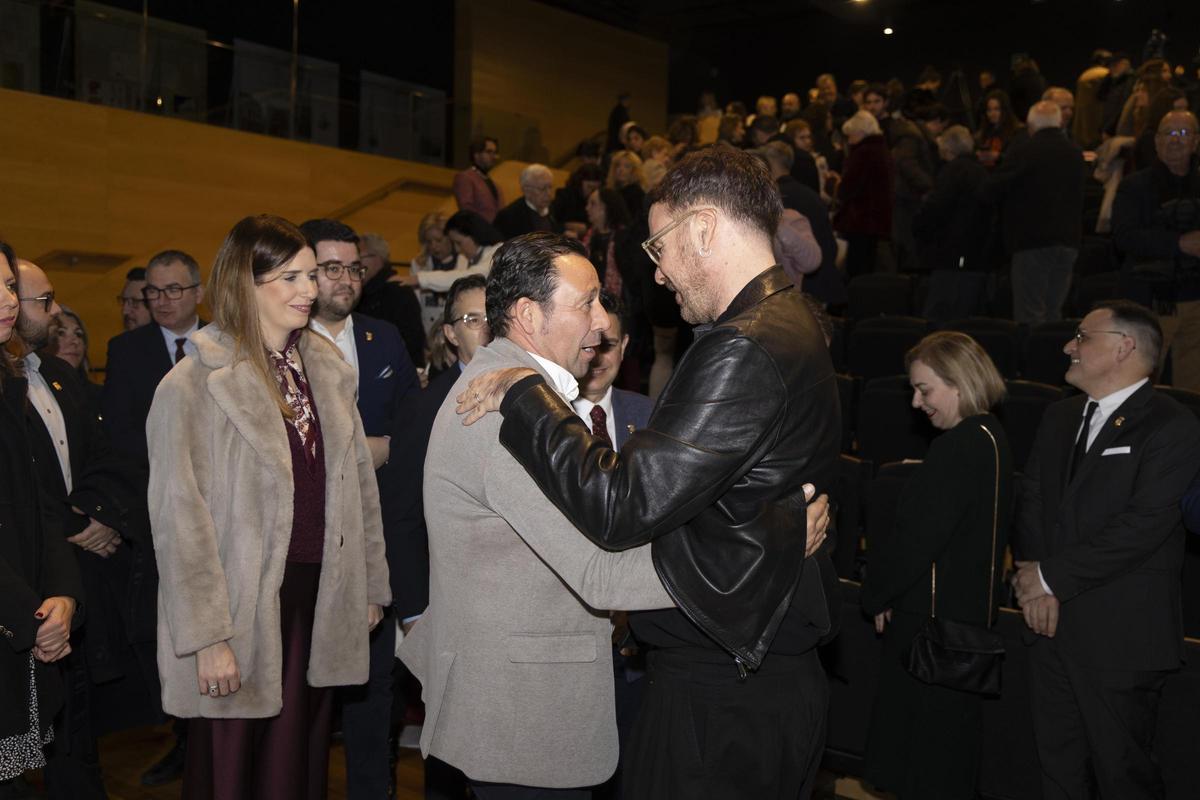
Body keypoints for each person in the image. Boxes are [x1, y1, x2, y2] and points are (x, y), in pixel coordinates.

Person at [458, 146, 842, 799]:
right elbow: (732, 492)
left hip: (724, 695)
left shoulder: (743, 343)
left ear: (702, 228)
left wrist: (525, 394)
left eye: (659, 247)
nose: (660, 275)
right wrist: (776, 529)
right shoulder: (792, 320)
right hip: (750, 674)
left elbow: (622, 505)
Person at [398, 234, 678, 799]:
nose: (601, 322)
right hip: (520, 715)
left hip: (524, 703)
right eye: (587, 303)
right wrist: (754, 551)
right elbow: (600, 573)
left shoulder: (520, 392)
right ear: (527, 313)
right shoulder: (506, 413)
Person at [147, 214, 390, 800]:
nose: (309, 290)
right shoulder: (193, 384)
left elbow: (359, 489)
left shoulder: (328, 375)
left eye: (313, 275)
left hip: (317, 598)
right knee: (233, 775)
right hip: (239, 608)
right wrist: (208, 637)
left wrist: (368, 588)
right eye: (290, 277)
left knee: (299, 768)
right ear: (244, 284)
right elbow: (180, 523)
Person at [1011, 300, 1200, 799]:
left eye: (1083, 336)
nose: (1069, 345)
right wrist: (1035, 582)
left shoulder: (1173, 425)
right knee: (1056, 769)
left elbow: (1144, 526)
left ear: (1124, 347)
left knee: (1123, 775)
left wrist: (1050, 578)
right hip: (1047, 624)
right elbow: (1031, 500)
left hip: (1121, 637)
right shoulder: (1058, 416)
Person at [861, 332, 1011, 800]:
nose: (915, 401)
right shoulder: (992, 438)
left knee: (922, 766)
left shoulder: (961, 445)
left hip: (929, 635)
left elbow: (917, 540)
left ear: (960, 383)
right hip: (959, 631)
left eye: (925, 389)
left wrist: (875, 595)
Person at [299, 218, 419, 800]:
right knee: (304, 703)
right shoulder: (282, 345)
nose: (345, 279)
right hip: (305, 549)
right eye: (330, 268)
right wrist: (358, 449)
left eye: (353, 267)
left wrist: (384, 447)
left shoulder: (384, 337)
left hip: (374, 548)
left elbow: (410, 429)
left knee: (374, 693)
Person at [15, 260, 140, 798]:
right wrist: (74, 525)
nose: (58, 310)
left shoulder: (60, 376)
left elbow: (111, 458)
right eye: (45, 301)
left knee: (76, 728)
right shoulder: (6, 388)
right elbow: (19, 487)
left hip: (77, 582)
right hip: (20, 578)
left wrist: (98, 517)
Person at [102, 248, 207, 785]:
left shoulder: (226, 344)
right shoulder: (127, 350)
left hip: (218, 516)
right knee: (165, 629)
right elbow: (122, 437)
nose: (162, 301)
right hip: (155, 515)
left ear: (198, 292)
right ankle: (181, 736)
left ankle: (207, 740)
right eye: (153, 292)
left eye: (173, 291)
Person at [0, 240, 83, 800]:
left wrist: (61, 595)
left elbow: (37, 504)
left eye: (8, 285)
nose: (7, 299)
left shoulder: (10, 384)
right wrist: (28, 617)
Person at [1111, 110, 1200, 390]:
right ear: (1157, 142)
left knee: (1192, 389)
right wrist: (1178, 244)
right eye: (1169, 133)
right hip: (1149, 302)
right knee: (1139, 384)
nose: (1176, 140)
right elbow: (1124, 238)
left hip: (1196, 300)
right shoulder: (1134, 186)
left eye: (1184, 133)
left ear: (1196, 142)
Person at [982, 100, 1086, 325]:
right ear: (1059, 122)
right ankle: (1051, 357)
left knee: (1029, 313)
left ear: (1030, 125)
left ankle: (1033, 358)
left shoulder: (1025, 151)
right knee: (1053, 311)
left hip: (1032, 241)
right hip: (1069, 240)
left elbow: (993, 188)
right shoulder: (1075, 152)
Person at [914, 125, 993, 321]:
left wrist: (920, 230)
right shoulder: (982, 172)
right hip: (975, 253)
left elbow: (935, 209)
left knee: (944, 311)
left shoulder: (952, 172)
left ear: (948, 148)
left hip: (953, 253)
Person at [353, 232, 427, 370]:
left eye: (359, 257)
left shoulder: (398, 291)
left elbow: (412, 340)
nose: (356, 264)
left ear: (378, 257)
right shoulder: (364, 292)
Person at [834, 110, 895, 278]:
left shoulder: (863, 152)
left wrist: (838, 187)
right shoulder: (882, 149)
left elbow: (849, 186)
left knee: (857, 268)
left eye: (851, 135)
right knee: (869, 266)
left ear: (860, 132)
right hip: (876, 218)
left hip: (860, 219)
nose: (849, 140)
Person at [409, 212, 466, 334]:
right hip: (429, 331)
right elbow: (416, 305)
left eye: (438, 240)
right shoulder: (419, 265)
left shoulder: (466, 262)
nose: (434, 246)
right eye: (429, 242)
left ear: (450, 238)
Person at [494, 164, 561, 240]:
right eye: (542, 189)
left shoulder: (554, 208)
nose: (549, 193)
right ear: (526, 190)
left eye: (550, 187)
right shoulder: (509, 217)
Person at [452, 136, 502, 223]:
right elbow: (467, 211)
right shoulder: (465, 177)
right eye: (489, 152)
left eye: (495, 153)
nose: (494, 157)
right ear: (476, 155)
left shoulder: (495, 184)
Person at [552, 163, 604, 238]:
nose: (592, 192)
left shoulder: (600, 199)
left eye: (595, 188)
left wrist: (587, 228)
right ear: (579, 183)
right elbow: (550, 221)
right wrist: (566, 227)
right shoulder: (564, 195)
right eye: (589, 187)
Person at [975, 89, 1023, 168]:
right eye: (989, 110)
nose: (992, 114)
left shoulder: (1017, 131)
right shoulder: (983, 132)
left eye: (996, 109)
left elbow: (1018, 159)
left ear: (1005, 110)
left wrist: (998, 157)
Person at [607, 151, 647, 221]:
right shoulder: (612, 191)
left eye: (627, 166)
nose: (621, 169)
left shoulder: (636, 193)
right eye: (618, 165)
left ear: (634, 171)